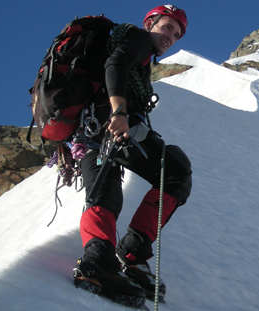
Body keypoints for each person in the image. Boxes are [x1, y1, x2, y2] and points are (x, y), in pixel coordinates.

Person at [72, 5, 192, 304]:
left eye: (176, 34)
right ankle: (130, 255)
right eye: (166, 28)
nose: (170, 37)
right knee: (176, 172)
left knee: (105, 192)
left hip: (90, 133)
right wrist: (120, 110)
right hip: (112, 125)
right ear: (150, 23)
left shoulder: (138, 51)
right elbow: (116, 63)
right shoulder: (138, 39)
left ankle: (99, 263)